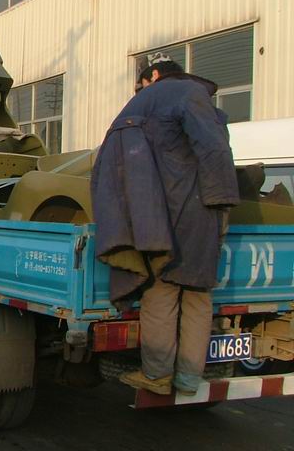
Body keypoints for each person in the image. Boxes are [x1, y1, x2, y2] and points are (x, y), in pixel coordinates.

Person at [91, 52, 239, 396]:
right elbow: (214, 148)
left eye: (141, 83)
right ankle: (187, 379)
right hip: (200, 214)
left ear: (154, 76)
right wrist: (221, 207)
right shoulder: (193, 96)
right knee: (198, 295)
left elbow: (212, 149)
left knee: (161, 291)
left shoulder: (170, 95)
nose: (140, 90)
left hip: (167, 214)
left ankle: (157, 375)